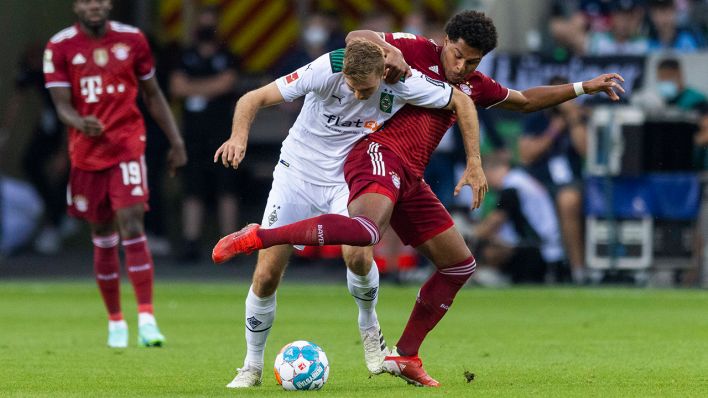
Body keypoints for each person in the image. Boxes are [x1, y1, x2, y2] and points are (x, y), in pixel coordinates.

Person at [214, 10, 624, 387]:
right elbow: (357, 36)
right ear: (445, 40)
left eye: (473, 62)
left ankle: (394, 347)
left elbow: (515, 101)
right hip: (340, 163)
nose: (462, 67)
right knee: (276, 271)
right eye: (458, 56)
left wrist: (582, 87)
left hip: (378, 174)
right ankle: (251, 364)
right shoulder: (391, 58)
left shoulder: (436, 81)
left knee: (447, 262)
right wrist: (388, 49)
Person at [212, 38, 480, 388]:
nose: (356, 96)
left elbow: (460, 99)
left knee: (359, 252)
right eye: (351, 88)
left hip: (345, 175)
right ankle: (251, 366)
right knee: (266, 275)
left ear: (384, 74)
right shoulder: (324, 69)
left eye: (365, 89)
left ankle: (370, 333)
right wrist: (238, 137)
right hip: (297, 172)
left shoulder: (405, 79)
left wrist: (475, 160)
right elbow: (253, 98)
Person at [43, 0, 187, 348]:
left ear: (109, 4)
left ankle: (148, 319)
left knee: (133, 223)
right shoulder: (59, 46)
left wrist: (176, 140)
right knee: (103, 233)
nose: (94, 5)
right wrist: (79, 121)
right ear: (76, 5)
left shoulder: (134, 40)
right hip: (86, 154)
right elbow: (61, 104)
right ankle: (115, 322)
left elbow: (153, 95)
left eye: (100, 0)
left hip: (126, 144)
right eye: (87, 0)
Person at [169, 6, 240, 262]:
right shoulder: (185, 56)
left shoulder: (228, 55)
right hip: (193, 133)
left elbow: (227, 83)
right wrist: (209, 87)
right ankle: (191, 242)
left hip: (224, 133)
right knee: (192, 188)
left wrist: (194, 87)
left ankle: (232, 243)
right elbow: (176, 86)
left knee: (227, 187)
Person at [0, 43, 71, 254]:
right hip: (48, 125)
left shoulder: (59, 76)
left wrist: (64, 151)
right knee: (30, 161)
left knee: (67, 174)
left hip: (68, 126)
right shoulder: (30, 73)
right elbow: (17, 101)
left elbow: (69, 113)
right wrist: (4, 134)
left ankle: (58, 218)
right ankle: (56, 215)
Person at [519, 76, 588, 284]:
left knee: (568, 201)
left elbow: (587, 151)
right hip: (539, 180)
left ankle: (577, 269)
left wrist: (573, 119)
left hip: (571, 181)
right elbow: (526, 155)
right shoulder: (536, 118)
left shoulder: (579, 119)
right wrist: (554, 129)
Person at [473, 154, 564, 284]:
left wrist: (470, 235)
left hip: (539, 249)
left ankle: (486, 275)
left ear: (493, 170)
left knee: (488, 248)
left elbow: (494, 222)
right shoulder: (522, 180)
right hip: (548, 245)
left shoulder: (512, 186)